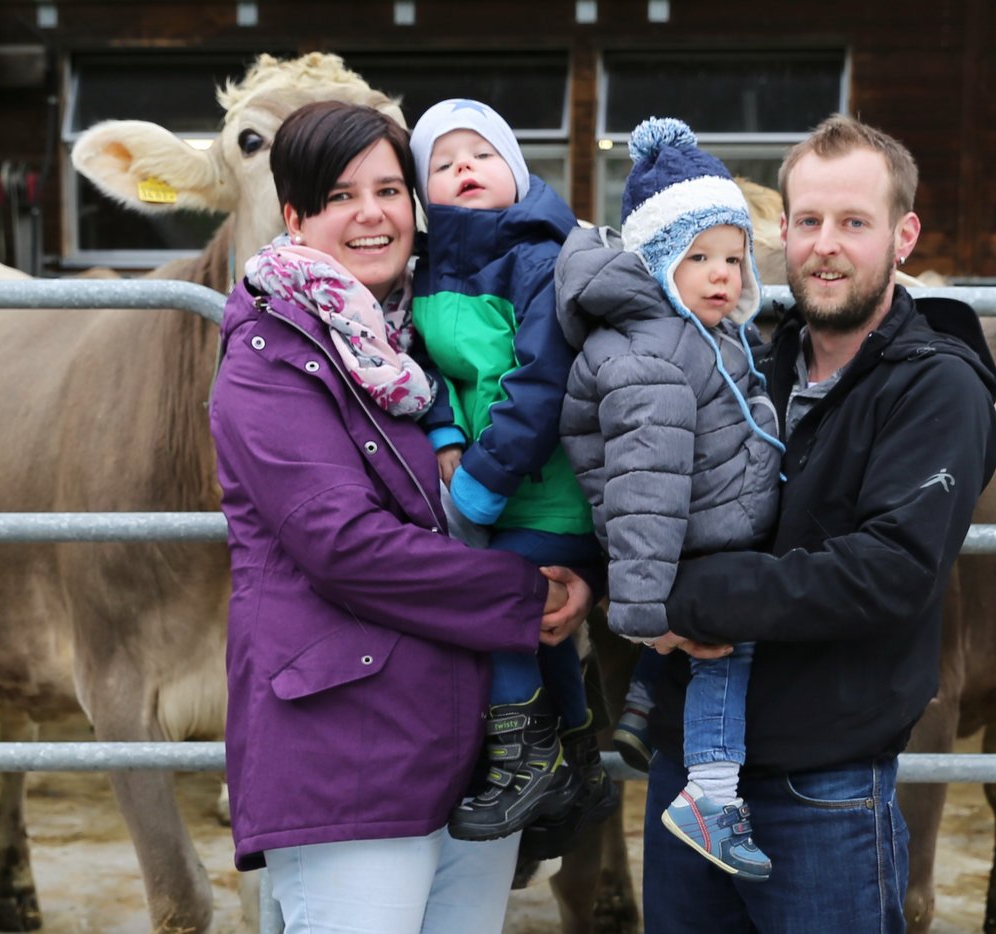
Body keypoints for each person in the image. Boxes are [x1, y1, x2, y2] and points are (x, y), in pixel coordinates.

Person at [208, 100, 593, 933]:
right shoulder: (271, 358)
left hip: (463, 751)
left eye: (389, 188)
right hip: (349, 755)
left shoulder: (422, 343)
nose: (372, 213)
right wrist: (527, 594)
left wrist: (573, 574)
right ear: (295, 216)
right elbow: (343, 546)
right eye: (341, 196)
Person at [641, 114, 996, 932]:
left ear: (903, 235)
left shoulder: (934, 391)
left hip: (822, 785)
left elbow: (888, 570)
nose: (825, 246)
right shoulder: (744, 362)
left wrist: (681, 600)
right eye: (808, 221)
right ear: (783, 230)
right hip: (688, 775)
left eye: (853, 223)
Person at [557, 117, 784, 881]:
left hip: (704, 532)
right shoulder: (653, 354)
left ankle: (645, 708)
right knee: (726, 654)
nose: (722, 275)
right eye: (698, 259)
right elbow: (644, 493)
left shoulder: (700, 334)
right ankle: (712, 797)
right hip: (694, 550)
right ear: (658, 262)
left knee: (709, 653)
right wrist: (649, 622)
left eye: (733, 258)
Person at [405, 99, 616, 847]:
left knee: (493, 605)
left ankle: (527, 757)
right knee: (544, 632)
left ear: (518, 172)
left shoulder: (537, 256)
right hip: (492, 479)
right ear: (422, 191)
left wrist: (479, 486)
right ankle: (578, 754)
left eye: (483, 154)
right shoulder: (426, 269)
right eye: (444, 160)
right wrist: (441, 428)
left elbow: (541, 378)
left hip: (544, 491)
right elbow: (421, 364)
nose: (465, 168)